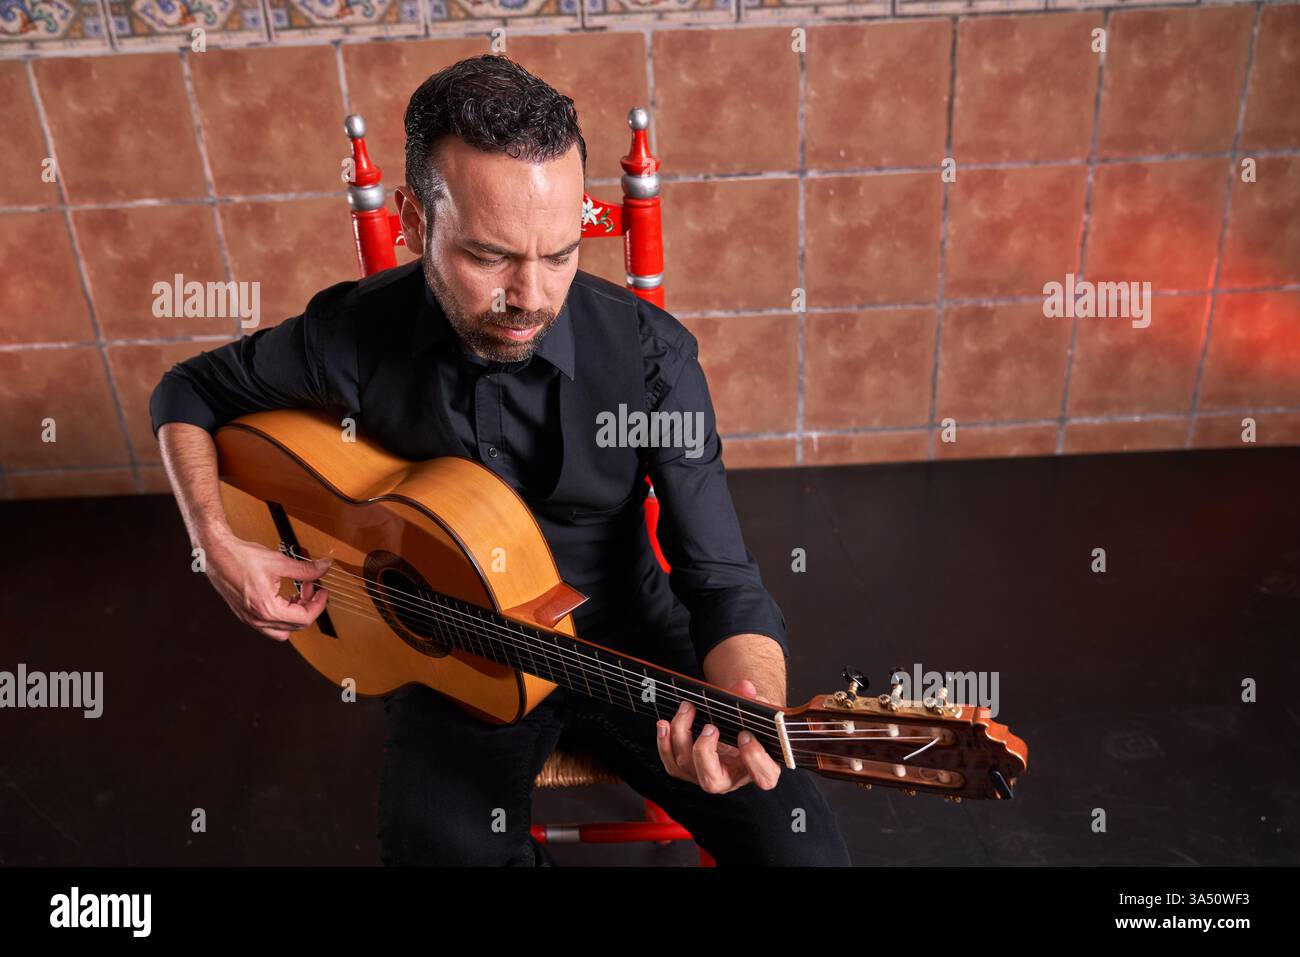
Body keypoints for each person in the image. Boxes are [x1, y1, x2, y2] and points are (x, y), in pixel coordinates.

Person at [149, 54, 851, 867]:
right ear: (414, 222)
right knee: (440, 854)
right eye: (490, 257)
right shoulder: (353, 335)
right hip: (451, 657)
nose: (531, 297)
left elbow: (723, 579)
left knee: (806, 857)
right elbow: (187, 392)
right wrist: (217, 546)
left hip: (627, 638)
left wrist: (744, 704)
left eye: (559, 253)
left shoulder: (653, 361)